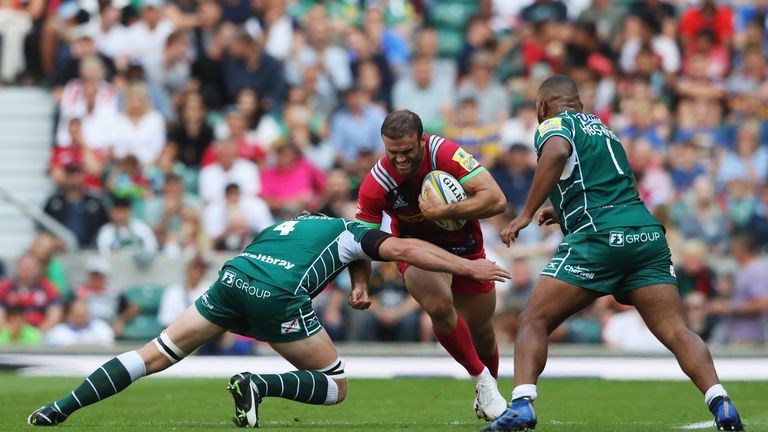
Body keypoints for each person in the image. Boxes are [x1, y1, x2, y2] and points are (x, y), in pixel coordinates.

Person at [27, 214, 511, 427]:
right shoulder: (353, 233)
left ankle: (59, 409)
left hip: (233, 278)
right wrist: (468, 266)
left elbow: (354, 256)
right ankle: (259, 385)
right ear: (366, 230)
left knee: (153, 354)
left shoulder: (292, 223)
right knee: (335, 385)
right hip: (276, 296)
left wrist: (360, 284)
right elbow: (401, 249)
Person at [485, 75, 743, 431]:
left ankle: (523, 404)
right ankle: (722, 402)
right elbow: (607, 187)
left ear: (541, 106)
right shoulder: (605, 131)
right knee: (675, 329)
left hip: (601, 239)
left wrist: (526, 213)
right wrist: (559, 209)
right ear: (580, 103)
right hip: (646, 237)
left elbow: (558, 152)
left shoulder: (554, 124)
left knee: (533, 319)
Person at [355, 110, 509, 420]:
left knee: (483, 332)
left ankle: (489, 387)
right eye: (392, 151)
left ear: (422, 141)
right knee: (439, 306)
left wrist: (445, 210)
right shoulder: (377, 183)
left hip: (466, 248)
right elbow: (360, 239)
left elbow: (497, 200)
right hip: (417, 252)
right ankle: (483, 380)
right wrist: (360, 284)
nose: (399, 159)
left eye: (407, 151)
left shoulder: (447, 154)